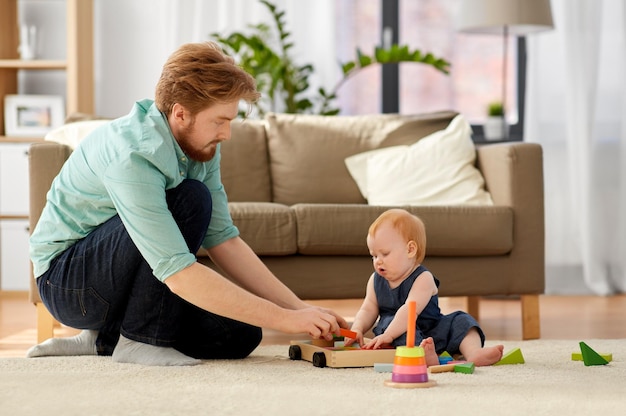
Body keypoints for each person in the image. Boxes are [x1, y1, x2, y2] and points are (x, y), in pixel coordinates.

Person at [27, 41, 347, 366]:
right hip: (68, 284)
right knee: (190, 199)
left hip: (118, 280)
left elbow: (224, 239)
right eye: (220, 121)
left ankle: (105, 339)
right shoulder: (134, 153)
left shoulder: (201, 146)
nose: (227, 134)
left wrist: (299, 310)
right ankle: (138, 341)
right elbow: (177, 272)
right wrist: (286, 321)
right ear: (180, 113)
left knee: (241, 334)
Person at [343, 209, 503, 366]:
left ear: (410, 250)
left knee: (462, 320)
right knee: (392, 325)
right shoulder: (375, 280)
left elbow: (409, 311)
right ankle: (422, 355)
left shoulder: (423, 278)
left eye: (384, 254)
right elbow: (368, 309)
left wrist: (389, 335)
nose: (378, 261)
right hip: (401, 335)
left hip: (434, 330)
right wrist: (357, 328)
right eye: (374, 255)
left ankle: (473, 352)